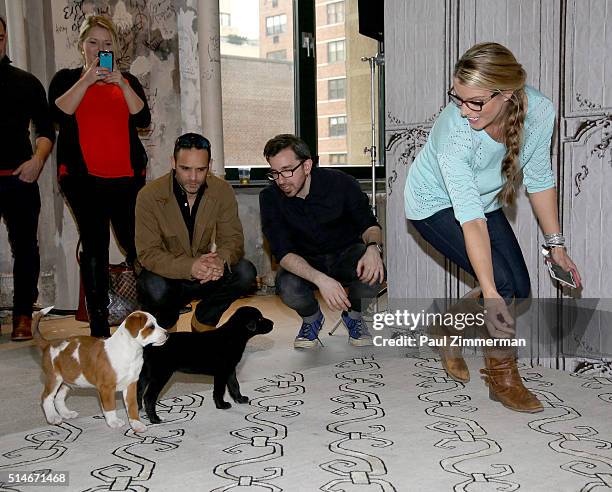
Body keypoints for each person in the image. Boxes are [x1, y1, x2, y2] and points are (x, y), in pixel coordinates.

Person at [404, 42, 582, 413]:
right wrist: (489, 294)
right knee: (500, 287)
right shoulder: (454, 131)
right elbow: (469, 218)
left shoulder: (540, 110)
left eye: (476, 102)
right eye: (458, 98)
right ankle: (502, 378)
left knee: (519, 289)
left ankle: (447, 324)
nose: (464, 110)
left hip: (484, 200)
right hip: (433, 204)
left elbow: (538, 177)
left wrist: (556, 245)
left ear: (507, 95)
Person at [48, 15, 151, 337]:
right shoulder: (67, 78)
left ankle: (152, 311)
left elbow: (143, 117)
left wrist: (120, 83)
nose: (99, 49)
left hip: (126, 177)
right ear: (82, 47)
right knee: (95, 245)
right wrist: (88, 80)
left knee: (136, 244)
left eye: (107, 44)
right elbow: (58, 113)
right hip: (82, 178)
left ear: (115, 50)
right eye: (93, 42)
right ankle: (98, 324)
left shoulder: (128, 81)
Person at [260, 134, 385, 349]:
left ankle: (354, 316)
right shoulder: (270, 198)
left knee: (374, 272)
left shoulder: (342, 183)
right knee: (287, 285)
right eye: (275, 173)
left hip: (346, 254)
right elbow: (283, 253)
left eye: (287, 171)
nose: (281, 180)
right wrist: (321, 279)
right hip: (304, 261)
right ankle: (312, 319)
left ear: (307, 165)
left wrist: (373, 249)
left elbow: (369, 225)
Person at [135, 132, 256, 331]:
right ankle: (166, 326)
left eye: (201, 169)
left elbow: (233, 240)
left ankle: (204, 320)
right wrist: (190, 266)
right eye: (185, 169)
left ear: (210, 165)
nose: (193, 178)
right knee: (151, 284)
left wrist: (220, 261)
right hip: (168, 275)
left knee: (244, 272)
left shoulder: (222, 190)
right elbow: (148, 254)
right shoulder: (149, 196)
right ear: (173, 162)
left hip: (206, 273)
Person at [0, 16, 55, 341]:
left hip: (19, 179)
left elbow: (46, 130)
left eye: (1, 36)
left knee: (25, 249)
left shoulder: (25, 81)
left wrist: (38, 159)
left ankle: (23, 314)